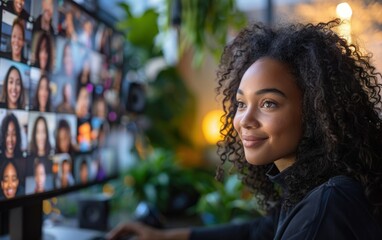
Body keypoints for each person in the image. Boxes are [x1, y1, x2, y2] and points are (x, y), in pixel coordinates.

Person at [107, 19, 382, 239]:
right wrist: (162, 237)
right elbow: (256, 232)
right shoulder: (307, 185)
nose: (244, 120)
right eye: (241, 103)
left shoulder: (328, 204)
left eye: (268, 103)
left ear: (315, 111)